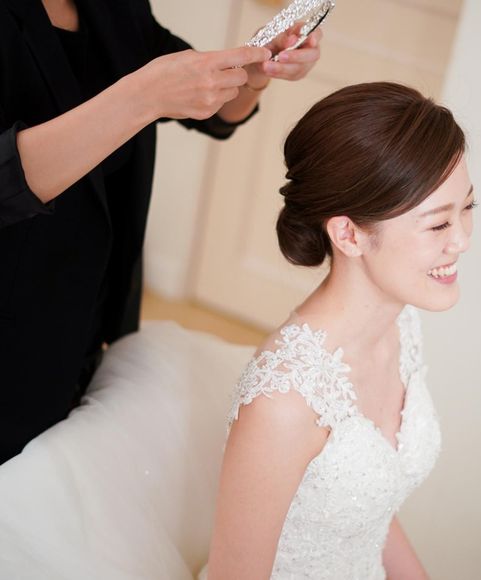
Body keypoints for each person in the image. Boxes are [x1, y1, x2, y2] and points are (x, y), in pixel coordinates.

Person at [0, 0, 322, 464]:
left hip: (88, 311)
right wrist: (140, 98)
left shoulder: (118, 7)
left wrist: (253, 72)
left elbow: (213, 109)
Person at [205, 82, 477, 579]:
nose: (461, 241)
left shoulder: (402, 323)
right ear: (348, 234)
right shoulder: (285, 400)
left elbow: (370, 504)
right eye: (438, 225)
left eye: (468, 209)